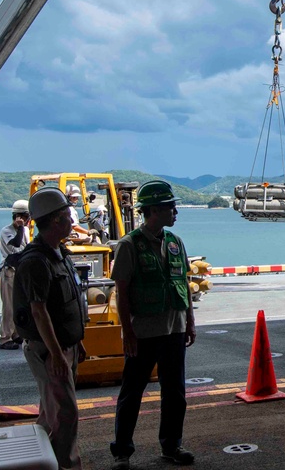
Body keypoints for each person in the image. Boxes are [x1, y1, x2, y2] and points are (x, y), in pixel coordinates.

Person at [110, 180, 195, 469]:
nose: (175, 212)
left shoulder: (175, 242)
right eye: (171, 207)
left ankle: (172, 446)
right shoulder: (128, 245)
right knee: (132, 393)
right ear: (155, 210)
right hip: (143, 333)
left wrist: (190, 323)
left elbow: (183, 282)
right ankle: (122, 452)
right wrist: (127, 333)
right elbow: (121, 292)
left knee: (176, 393)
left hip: (174, 330)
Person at [13, 187, 87, 470]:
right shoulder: (36, 261)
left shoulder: (58, 253)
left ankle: (40, 462)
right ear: (56, 220)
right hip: (48, 351)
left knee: (51, 414)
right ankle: (66, 466)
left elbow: (66, 305)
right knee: (65, 414)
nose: (72, 220)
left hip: (63, 346)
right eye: (68, 216)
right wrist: (57, 354)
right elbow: (39, 311)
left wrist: (75, 341)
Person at [0, 200, 30, 350]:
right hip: (9, 270)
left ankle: (16, 333)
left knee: (19, 304)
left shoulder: (25, 231)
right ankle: (5, 338)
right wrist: (21, 228)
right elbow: (16, 244)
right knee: (9, 306)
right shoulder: (6, 231)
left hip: (20, 270)